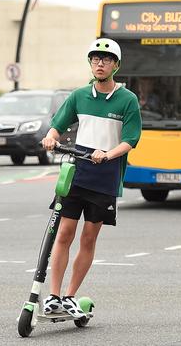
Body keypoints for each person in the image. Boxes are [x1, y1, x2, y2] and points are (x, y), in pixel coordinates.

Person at [40, 38, 141, 318]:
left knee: (87, 238)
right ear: (90, 63)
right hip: (77, 172)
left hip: (105, 174)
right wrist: (50, 138)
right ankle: (54, 296)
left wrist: (108, 155)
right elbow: (57, 126)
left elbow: (131, 140)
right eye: (96, 59)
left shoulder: (127, 100)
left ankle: (71, 296)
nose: (100, 63)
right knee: (64, 234)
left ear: (116, 66)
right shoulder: (79, 95)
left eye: (106, 60)